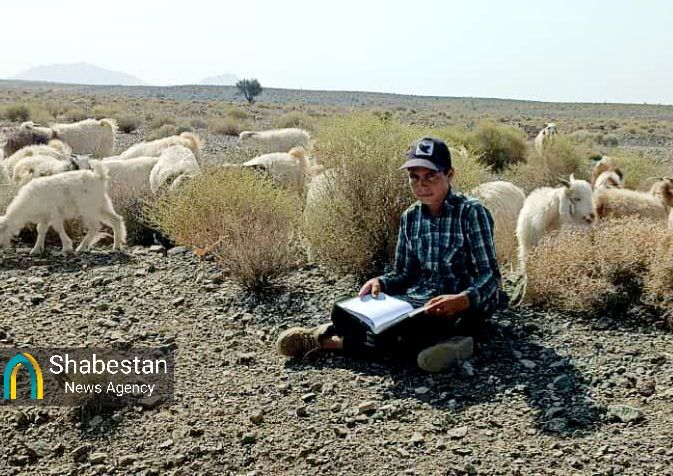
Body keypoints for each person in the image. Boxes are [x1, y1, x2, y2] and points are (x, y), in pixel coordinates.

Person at [276, 137, 503, 372]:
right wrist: (380, 282)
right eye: (414, 177)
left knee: (401, 334)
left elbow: (490, 277)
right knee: (343, 311)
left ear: (450, 174)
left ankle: (323, 341)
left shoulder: (471, 212)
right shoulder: (411, 217)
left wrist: (462, 299)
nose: (421, 184)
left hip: (462, 306)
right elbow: (404, 273)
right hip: (420, 302)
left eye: (430, 176)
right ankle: (427, 345)